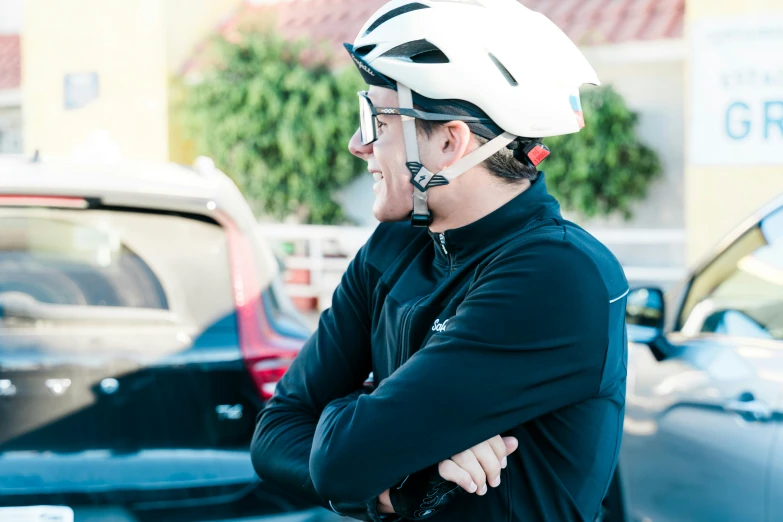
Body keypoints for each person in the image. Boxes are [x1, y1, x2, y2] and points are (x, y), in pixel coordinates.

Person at [251, 0, 629, 520]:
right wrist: (399, 480)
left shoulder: (556, 275)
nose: (357, 144)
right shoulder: (392, 248)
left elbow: (341, 461)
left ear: (451, 142)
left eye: (377, 120)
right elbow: (275, 433)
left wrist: (357, 411)